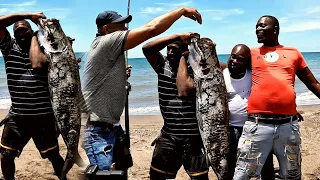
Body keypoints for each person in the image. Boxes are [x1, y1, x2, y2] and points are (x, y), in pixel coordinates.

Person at [81, 7, 202, 177]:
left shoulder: (108, 50)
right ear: (106, 29)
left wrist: (121, 79)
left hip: (112, 126)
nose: (125, 29)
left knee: (121, 172)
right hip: (98, 131)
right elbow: (151, 29)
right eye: (120, 25)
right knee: (105, 176)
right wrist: (181, 12)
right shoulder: (106, 42)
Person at [233, 15, 320, 179]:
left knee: (291, 176)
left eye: (262, 26)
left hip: (288, 127)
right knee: (244, 176)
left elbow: (313, 84)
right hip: (257, 126)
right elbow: (231, 66)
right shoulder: (251, 53)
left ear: (275, 29)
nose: (258, 29)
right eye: (256, 26)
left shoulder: (293, 53)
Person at [0, 13, 66, 180]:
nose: (21, 34)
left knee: (53, 156)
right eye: (17, 32)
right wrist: (28, 16)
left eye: (25, 30)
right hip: (18, 116)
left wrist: (37, 36)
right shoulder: (9, 47)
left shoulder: (46, 48)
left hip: (43, 116)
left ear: (32, 31)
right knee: (6, 155)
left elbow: (37, 64)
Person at [142, 33, 208, 179]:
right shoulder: (162, 65)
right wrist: (176, 36)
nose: (170, 52)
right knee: (157, 176)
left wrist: (188, 55)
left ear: (185, 50)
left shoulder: (195, 68)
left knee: (199, 177)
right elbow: (147, 49)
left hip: (193, 137)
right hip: (169, 134)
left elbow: (185, 89)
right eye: (168, 49)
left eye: (174, 49)